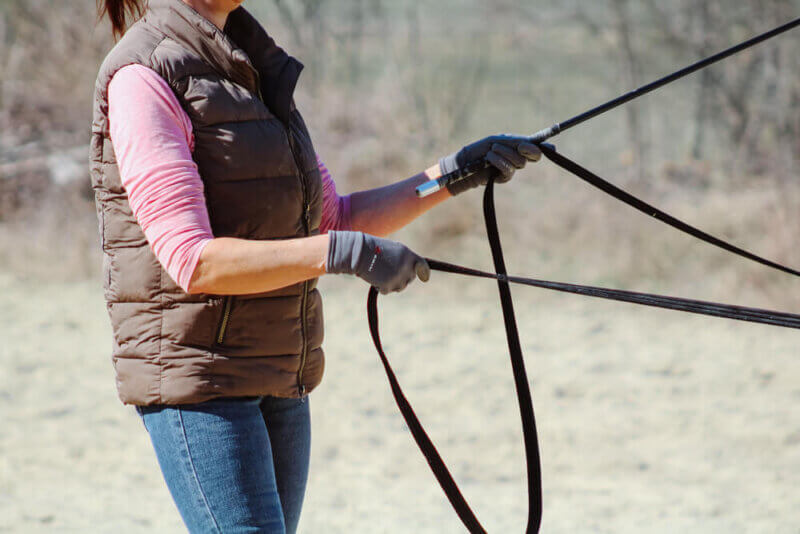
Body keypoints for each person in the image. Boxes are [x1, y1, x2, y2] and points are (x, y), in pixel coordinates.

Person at [91, 0, 543, 532]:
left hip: (279, 371)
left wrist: (452, 174)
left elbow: (333, 215)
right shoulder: (142, 77)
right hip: (200, 382)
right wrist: (343, 254)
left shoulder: (248, 68)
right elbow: (192, 260)